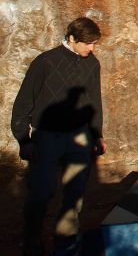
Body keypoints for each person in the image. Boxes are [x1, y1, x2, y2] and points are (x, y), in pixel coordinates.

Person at [11, 17, 106, 256]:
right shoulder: (45, 62)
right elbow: (24, 102)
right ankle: (31, 240)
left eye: (94, 44)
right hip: (48, 137)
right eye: (88, 43)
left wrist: (97, 134)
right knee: (41, 192)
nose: (92, 49)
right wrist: (24, 138)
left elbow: (94, 101)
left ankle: (66, 241)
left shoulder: (92, 64)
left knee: (75, 193)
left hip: (80, 138)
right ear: (72, 39)